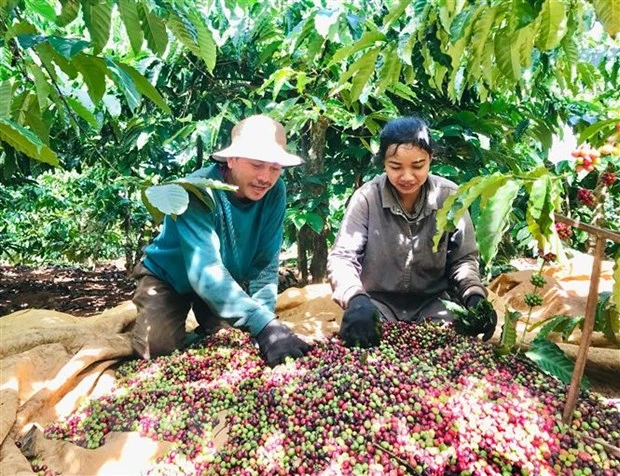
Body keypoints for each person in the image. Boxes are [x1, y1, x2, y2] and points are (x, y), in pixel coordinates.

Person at [131, 114, 310, 366]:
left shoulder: (274, 192)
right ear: (232, 159)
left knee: (234, 341)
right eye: (257, 164)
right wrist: (264, 325)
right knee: (158, 348)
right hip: (169, 278)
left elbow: (265, 265)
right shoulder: (197, 190)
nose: (266, 178)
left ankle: (208, 324)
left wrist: (266, 324)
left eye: (275, 168)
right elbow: (205, 273)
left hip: (225, 280)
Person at [327, 116, 497, 348]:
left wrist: (474, 295)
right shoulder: (366, 198)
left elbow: (463, 259)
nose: (407, 176)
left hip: (434, 306)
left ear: (430, 160)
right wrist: (355, 298)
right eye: (395, 167)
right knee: (362, 339)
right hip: (378, 304)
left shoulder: (449, 197)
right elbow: (343, 258)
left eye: (418, 166)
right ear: (383, 163)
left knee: (453, 346)